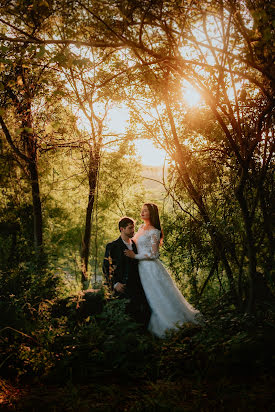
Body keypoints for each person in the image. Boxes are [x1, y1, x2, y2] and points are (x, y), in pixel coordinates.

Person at [124, 203, 200, 338]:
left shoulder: (154, 231)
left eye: (146, 211)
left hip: (151, 268)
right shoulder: (141, 228)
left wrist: (134, 256)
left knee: (158, 295)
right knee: (150, 296)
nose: (142, 212)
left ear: (151, 214)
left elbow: (154, 254)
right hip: (141, 269)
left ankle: (171, 323)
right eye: (142, 210)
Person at [102, 216, 151, 328]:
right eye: (130, 228)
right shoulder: (112, 246)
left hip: (138, 287)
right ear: (122, 229)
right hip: (121, 288)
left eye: (133, 228)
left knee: (143, 315)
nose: (133, 231)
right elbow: (106, 267)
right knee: (124, 319)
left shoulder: (136, 245)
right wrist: (114, 283)